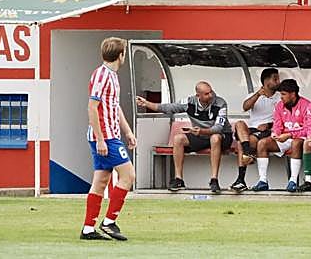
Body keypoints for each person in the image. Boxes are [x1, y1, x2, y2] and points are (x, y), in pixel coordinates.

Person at [81, 37, 136, 242]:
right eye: (124, 54)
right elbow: (92, 107)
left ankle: (88, 228)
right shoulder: (102, 75)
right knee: (128, 175)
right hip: (106, 137)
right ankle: (109, 222)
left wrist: (128, 131)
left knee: (102, 179)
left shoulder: (112, 76)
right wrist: (101, 139)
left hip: (110, 134)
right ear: (120, 55)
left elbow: (114, 106)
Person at [137, 82, 230, 194]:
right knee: (178, 139)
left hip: (222, 136)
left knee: (215, 138)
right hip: (200, 135)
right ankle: (178, 179)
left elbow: (218, 128)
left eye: (211, 92)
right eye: (206, 94)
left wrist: (202, 131)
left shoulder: (220, 103)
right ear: (198, 96)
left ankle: (214, 180)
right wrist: (146, 103)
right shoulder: (189, 102)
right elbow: (168, 108)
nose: (211, 95)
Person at [253, 79, 311, 192]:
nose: (281, 97)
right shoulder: (280, 105)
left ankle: (293, 181)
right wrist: (275, 134)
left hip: (301, 138)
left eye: (284, 94)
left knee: (296, 142)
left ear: (293, 94)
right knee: (262, 143)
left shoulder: (307, 105)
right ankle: (263, 181)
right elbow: (277, 124)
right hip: (284, 137)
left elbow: (308, 129)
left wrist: (289, 135)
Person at [229, 67, 280, 193]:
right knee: (240, 124)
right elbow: (245, 107)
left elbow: (282, 118)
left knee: (243, 142)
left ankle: (241, 179)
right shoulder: (254, 95)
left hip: (266, 130)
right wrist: (258, 94)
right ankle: (248, 153)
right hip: (251, 129)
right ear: (266, 81)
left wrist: (268, 125)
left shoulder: (279, 97)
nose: (278, 81)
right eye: (275, 79)